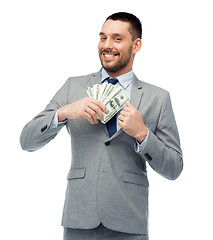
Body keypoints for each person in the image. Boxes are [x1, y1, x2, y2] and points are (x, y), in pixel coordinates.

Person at [20, 12, 183, 240]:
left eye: (117, 38)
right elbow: (26, 141)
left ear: (136, 45)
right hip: (79, 219)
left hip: (129, 222)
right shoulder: (72, 87)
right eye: (103, 37)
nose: (107, 45)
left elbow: (174, 168)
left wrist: (143, 134)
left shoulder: (158, 98)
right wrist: (64, 112)